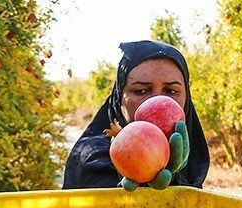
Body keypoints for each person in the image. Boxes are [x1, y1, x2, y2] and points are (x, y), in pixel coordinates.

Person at [62, 39, 210, 191]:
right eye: (140, 91)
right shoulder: (91, 158)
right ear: (119, 98)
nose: (156, 102)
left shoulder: (193, 159)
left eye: (171, 91)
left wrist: (176, 180)